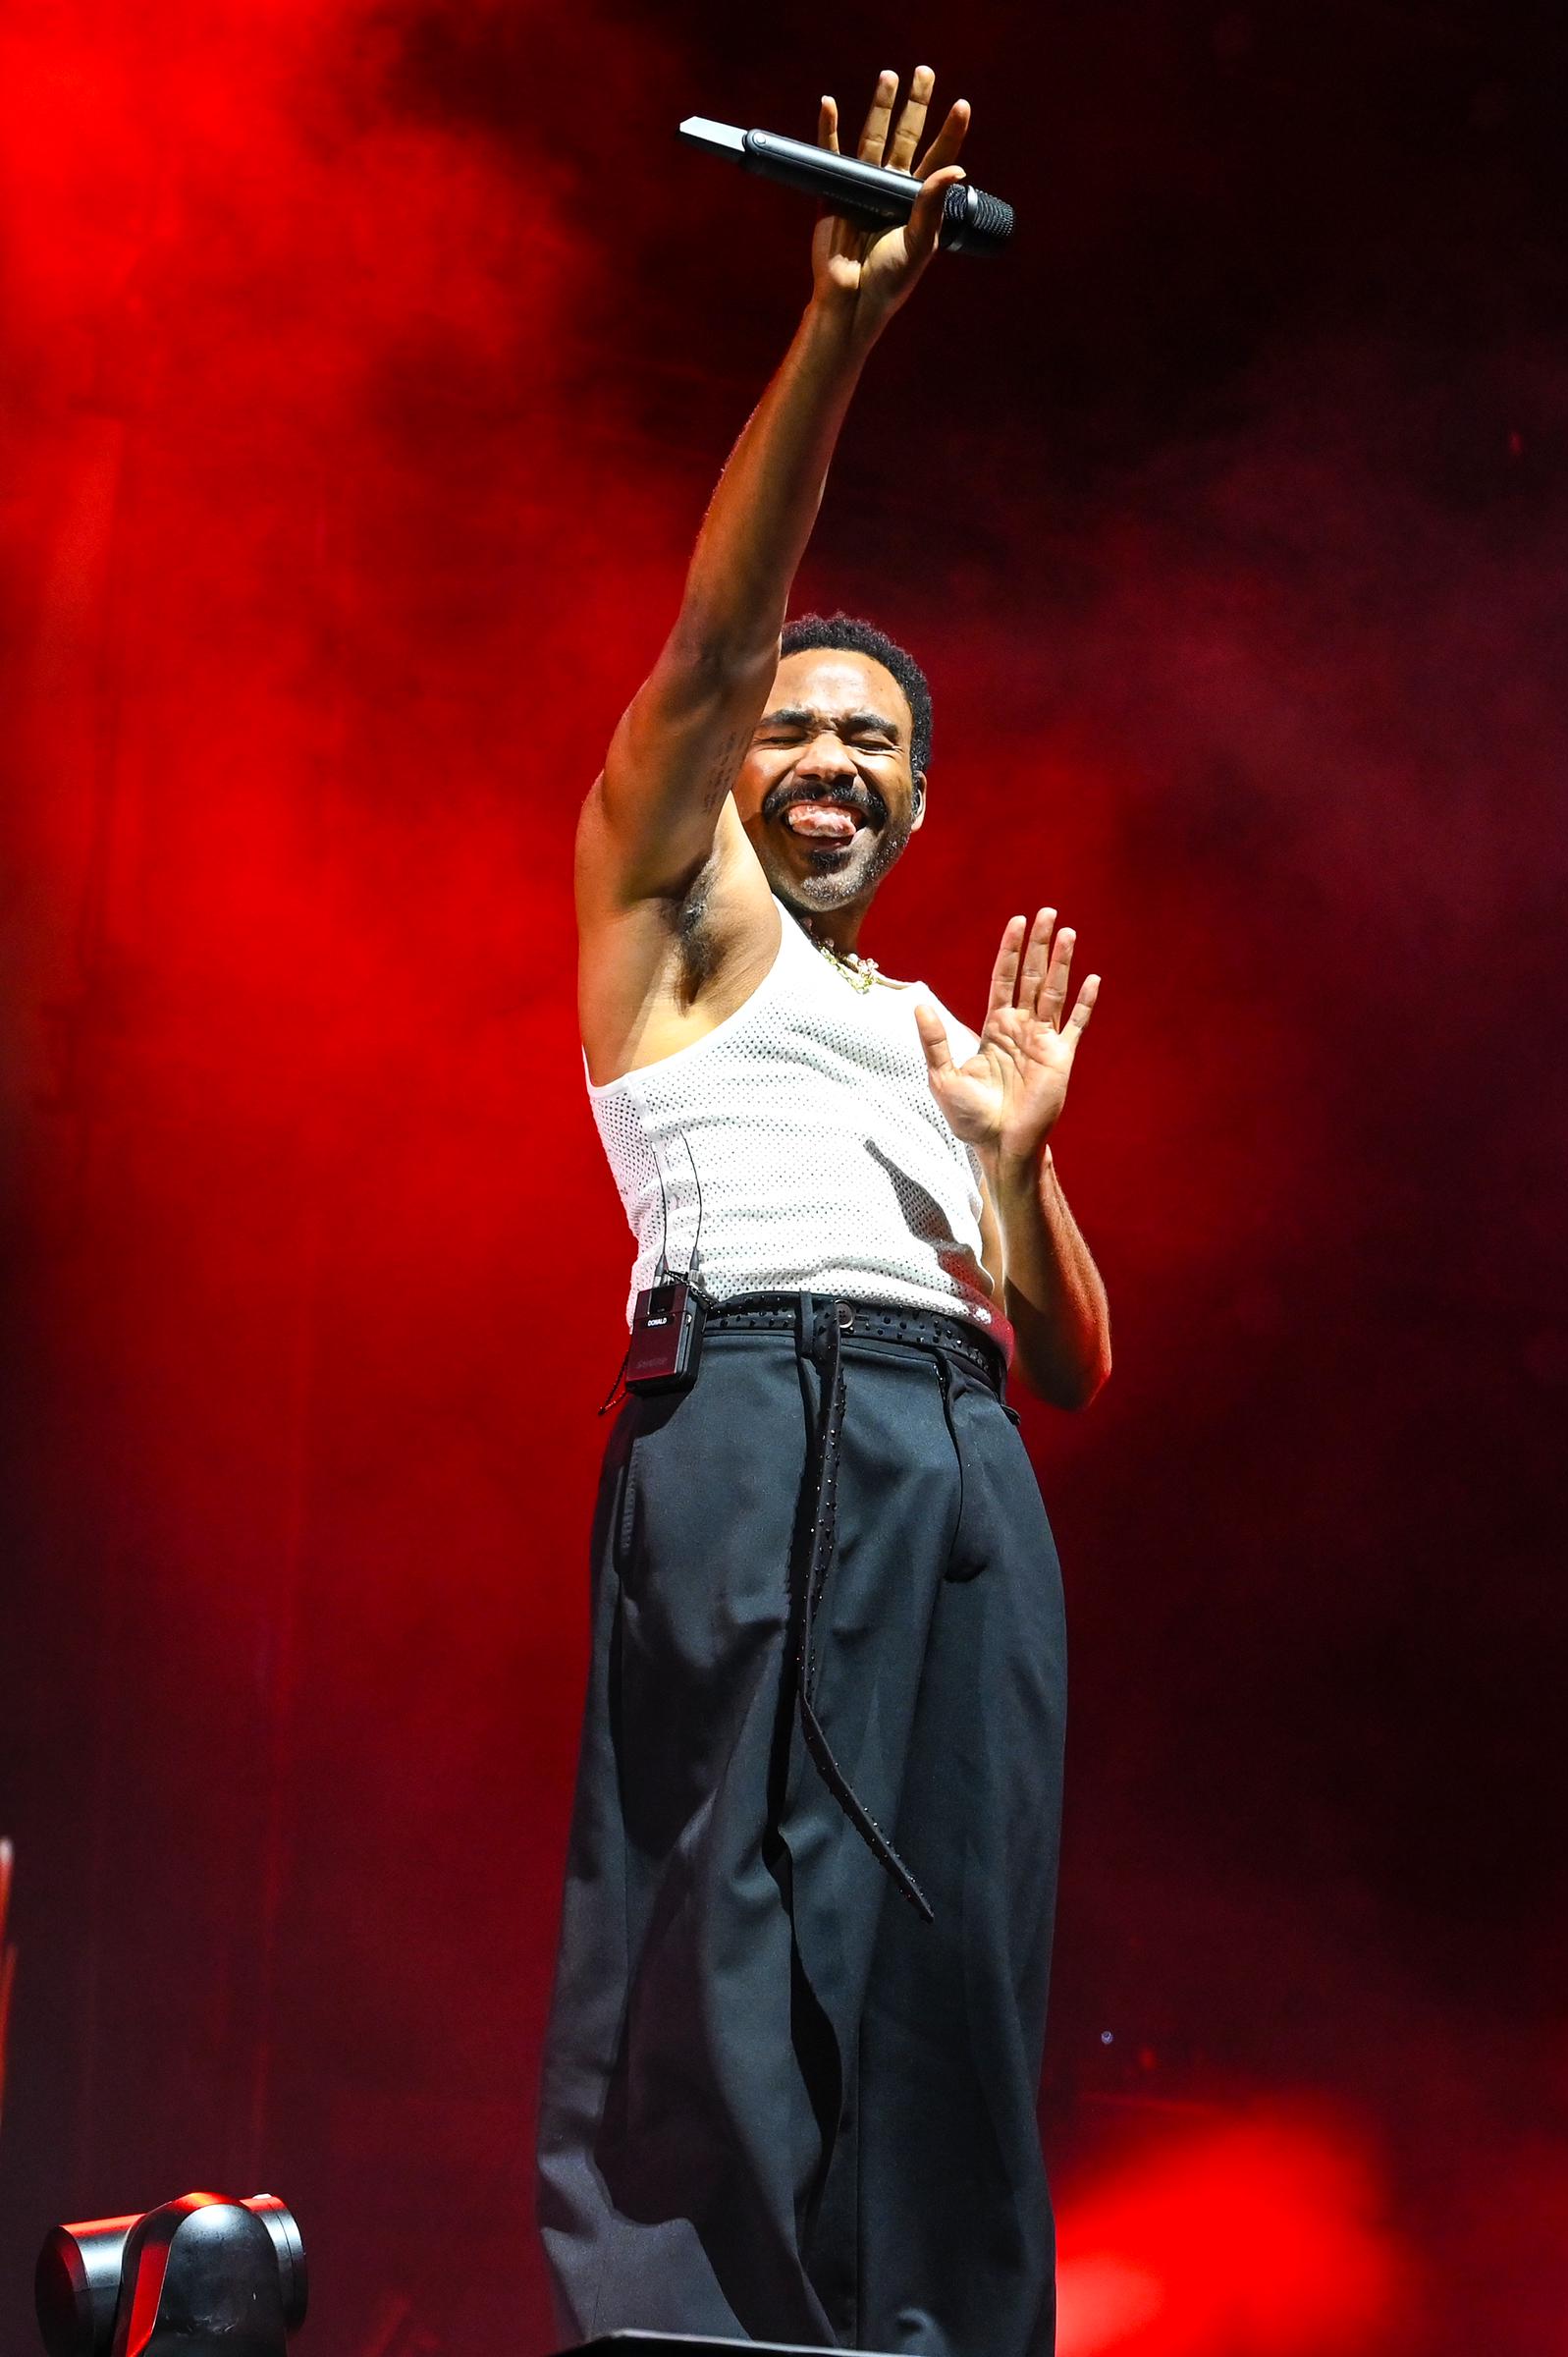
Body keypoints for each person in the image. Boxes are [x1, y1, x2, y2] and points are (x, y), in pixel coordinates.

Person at [537, 66, 1110, 2357]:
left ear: (921, 798)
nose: (831, 761)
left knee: (956, 1946)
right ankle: (707, 2338)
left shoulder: (938, 1037)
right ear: (733, 773)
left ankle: (939, 2334)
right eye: (798, 732)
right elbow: (712, 636)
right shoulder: (679, 924)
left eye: (873, 741)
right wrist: (842, 329)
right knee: (726, 1918)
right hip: (760, 1408)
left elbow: (1071, 1363)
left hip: (954, 1449)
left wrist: (1018, 1166)